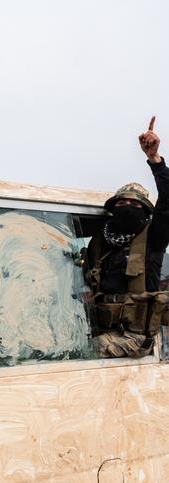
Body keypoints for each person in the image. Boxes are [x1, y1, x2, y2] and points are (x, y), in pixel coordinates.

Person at [86, 116, 169, 358]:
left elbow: (166, 204)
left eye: (134, 203)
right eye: (121, 202)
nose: (126, 205)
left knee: (83, 351)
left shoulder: (152, 238)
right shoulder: (102, 242)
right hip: (103, 326)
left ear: (144, 211)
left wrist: (155, 160)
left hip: (137, 338)